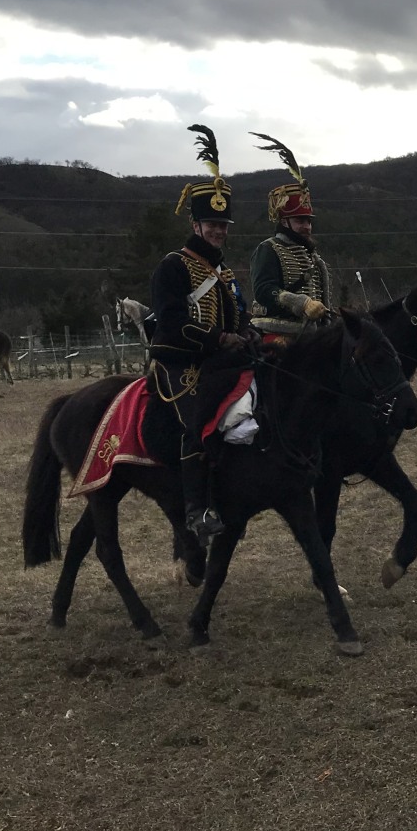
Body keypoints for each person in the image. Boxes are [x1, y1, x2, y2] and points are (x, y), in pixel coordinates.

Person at [148, 125, 257, 547]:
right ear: (195, 223)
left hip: (221, 357)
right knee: (199, 419)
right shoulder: (173, 266)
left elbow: (240, 313)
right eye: (212, 223)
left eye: (223, 224)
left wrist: (244, 334)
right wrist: (218, 340)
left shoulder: (223, 271)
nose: (218, 231)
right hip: (180, 360)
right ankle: (196, 510)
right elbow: (172, 322)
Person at [248, 132, 333, 340]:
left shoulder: (314, 258)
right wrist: (301, 303)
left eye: (308, 221)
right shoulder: (268, 248)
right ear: (285, 222)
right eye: (300, 221)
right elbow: (264, 290)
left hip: (311, 335)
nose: (307, 227)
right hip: (276, 331)